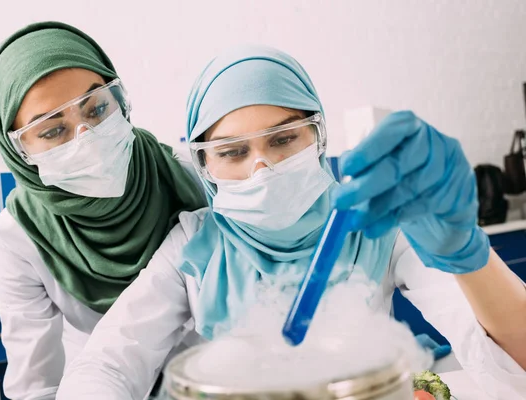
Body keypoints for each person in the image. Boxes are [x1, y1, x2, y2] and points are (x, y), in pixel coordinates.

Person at [56, 45, 526, 400]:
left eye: (283, 140)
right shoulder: (193, 244)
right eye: (233, 152)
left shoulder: (374, 223)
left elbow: (514, 359)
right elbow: (108, 363)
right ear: (204, 165)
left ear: (317, 138)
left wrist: (468, 254)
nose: (262, 167)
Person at [0, 21, 205, 400]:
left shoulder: (186, 176)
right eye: (52, 131)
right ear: (17, 151)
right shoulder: (16, 239)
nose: (87, 136)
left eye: (98, 107)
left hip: (201, 376)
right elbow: (37, 385)